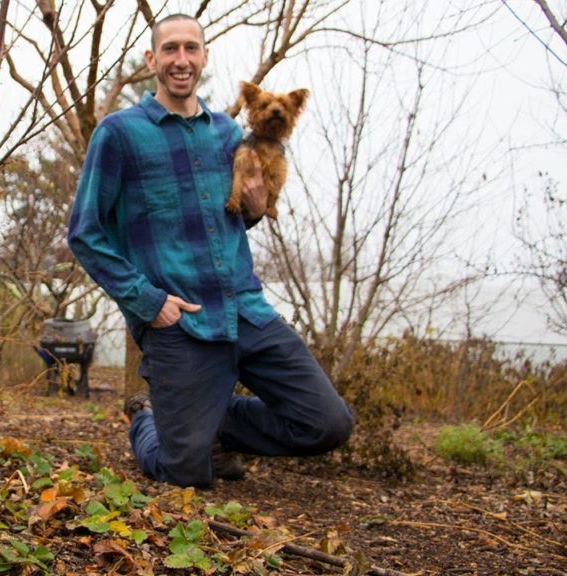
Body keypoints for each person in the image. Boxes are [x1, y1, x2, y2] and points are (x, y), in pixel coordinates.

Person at [67, 14, 353, 488]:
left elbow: (232, 214)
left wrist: (257, 210)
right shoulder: (119, 134)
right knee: (186, 472)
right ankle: (147, 419)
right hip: (182, 321)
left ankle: (210, 422)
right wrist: (149, 302)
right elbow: (85, 232)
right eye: (171, 49)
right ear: (151, 59)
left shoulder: (226, 133)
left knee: (328, 423)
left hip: (245, 308)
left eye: (191, 49)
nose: (182, 60)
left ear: (204, 57)